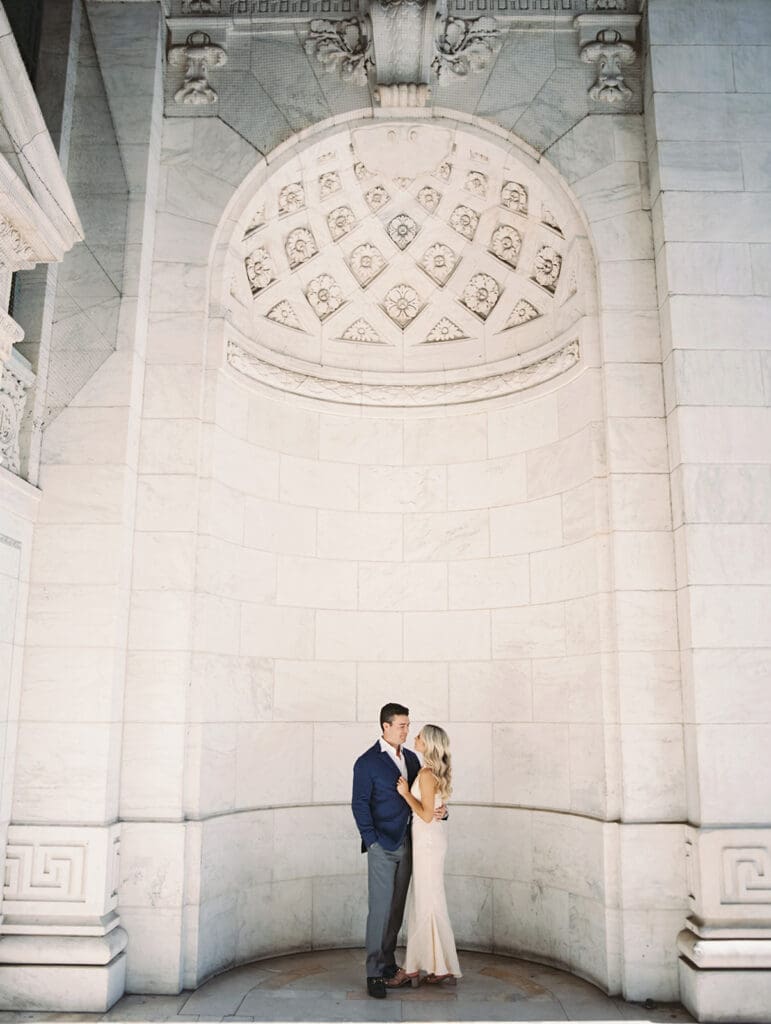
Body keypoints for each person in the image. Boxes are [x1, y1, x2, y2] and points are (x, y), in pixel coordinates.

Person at [352, 703, 443, 999]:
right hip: (382, 845)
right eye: (402, 725)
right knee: (379, 910)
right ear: (385, 726)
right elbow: (359, 805)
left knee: (396, 909)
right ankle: (373, 972)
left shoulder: (413, 759)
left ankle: (388, 963)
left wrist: (442, 811)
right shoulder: (366, 763)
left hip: (409, 843)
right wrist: (372, 840)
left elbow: (424, 797)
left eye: (408, 725)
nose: (407, 730)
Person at [389, 724, 462, 987]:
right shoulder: (427, 771)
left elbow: (427, 814)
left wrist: (406, 793)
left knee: (426, 900)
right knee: (427, 900)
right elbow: (435, 810)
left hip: (428, 842)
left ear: (429, 743)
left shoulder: (428, 774)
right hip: (427, 840)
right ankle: (438, 965)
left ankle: (413, 968)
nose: (415, 738)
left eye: (419, 735)